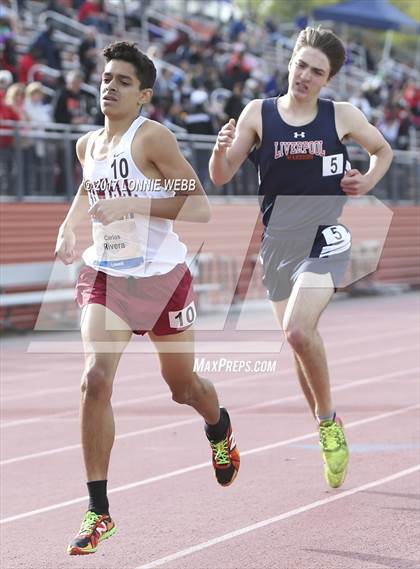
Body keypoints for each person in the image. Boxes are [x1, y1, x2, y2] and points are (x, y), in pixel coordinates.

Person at [55, 41, 240, 556]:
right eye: (105, 77)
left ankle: (218, 425)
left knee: (182, 388)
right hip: (107, 276)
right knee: (94, 379)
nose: (109, 86)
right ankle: (99, 510)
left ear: (144, 96)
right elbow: (89, 191)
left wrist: (130, 204)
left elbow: (198, 207)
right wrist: (70, 228)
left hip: (161, 279)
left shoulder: (152, 137)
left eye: (123, 81)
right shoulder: (86, 145)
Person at [209, 27, 393, 489]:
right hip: (278, 246)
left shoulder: (340, 116)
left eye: (317, 71)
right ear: (289, 61)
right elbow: (222, 173)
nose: (305, 76)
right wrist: (218, 151)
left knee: (296, 328)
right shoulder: (258, 114)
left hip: (325, 238)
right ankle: (322, 420)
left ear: (328, 80)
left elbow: (383, 150)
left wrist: (367, 182)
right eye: (301, 65)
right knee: (297, 339)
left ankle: (329, 425)